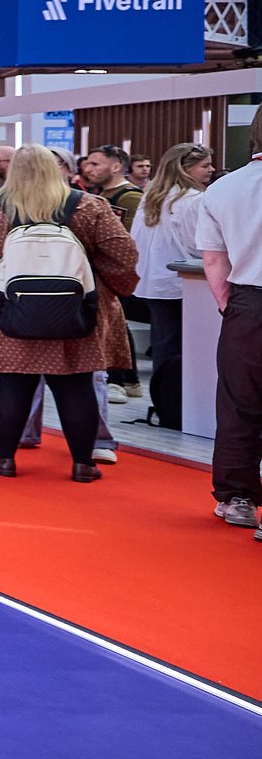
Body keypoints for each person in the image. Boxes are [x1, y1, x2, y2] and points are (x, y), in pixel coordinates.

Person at [0, 145, 139, 482]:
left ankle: (3, 458)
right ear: (56, 167)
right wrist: (98, 277)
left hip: (9, 312)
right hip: (75, 311)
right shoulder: (90, 205)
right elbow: (123, 255)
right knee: (76, 385)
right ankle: (83, 464)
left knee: (11, 382)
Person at [196, 151, 262, 532]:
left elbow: (213, 259)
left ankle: (239, 498)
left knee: (241, 401)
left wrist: (228, 304)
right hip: (248, 300)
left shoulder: (223, 187)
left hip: (249, 302)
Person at [135, 145, 211, 431]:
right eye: (205, 165)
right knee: (183, 351)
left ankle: (166, 405)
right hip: (185, 284)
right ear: (185, 168)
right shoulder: (192, 200)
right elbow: (200, 245)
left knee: (165, 348)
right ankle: (182, 409)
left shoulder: (151, 197)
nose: (211, 170)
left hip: (156, 283)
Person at [81, 144, 147, 398]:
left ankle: (120, 379)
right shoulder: (99, 196)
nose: (89, 168)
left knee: (114, 325)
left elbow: (129, 241)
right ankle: (126, 379)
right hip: (102, 272)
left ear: (116, 166)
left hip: (115, 273)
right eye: (87, 163)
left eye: (95, 164)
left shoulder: (130, 197)